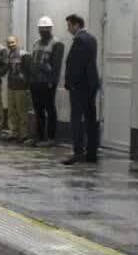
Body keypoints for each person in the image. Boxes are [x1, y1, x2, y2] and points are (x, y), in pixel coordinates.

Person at [63, 14, 101, 165]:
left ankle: (78, 152)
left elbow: (76, 65)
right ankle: (92, 153)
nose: (68, 29)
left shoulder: (79, 40)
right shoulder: (92, 39)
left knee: (76, 120)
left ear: (76, 25)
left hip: (80, 86)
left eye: (69, 25)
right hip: (91, 85)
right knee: (91, 119)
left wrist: (70, 82)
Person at [26, 16, 64, 147]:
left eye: (46, 28)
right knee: (38, 110)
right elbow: (33, 62)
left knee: (50, 109)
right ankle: (39, 136)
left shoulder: (57, 44)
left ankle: (51, 138)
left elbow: (56, 66)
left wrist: (52, 81)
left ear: (51, 28)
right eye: (41, 28)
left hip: (47, 82)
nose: (43, 30)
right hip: (35, 82)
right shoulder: (36, 43)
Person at [3, 35, 31, 143]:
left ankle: (23, 134)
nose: (10, 45)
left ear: (17, 42)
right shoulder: (9, 55)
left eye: (12, 42)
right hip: (11, 87)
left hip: (21, 88)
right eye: (9, 43)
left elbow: (29, 71)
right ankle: (14, 133)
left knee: (22, 111)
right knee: (11, 111)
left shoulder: (24, 55)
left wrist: (27, 86)